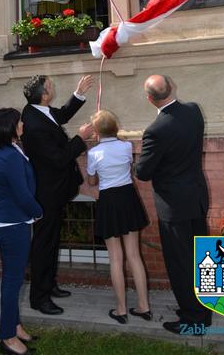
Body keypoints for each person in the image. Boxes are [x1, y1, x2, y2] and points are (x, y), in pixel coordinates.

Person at [136, 75, 211, 335]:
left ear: (149, 99)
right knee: (202, 259)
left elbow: (143, 172)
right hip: (197, 197)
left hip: (174, 207)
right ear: (172, 87)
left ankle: (193, 320)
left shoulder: (156, 129)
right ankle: (203, 312)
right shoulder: (193, 111)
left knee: (181, 264)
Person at [21, 74, 94, 315]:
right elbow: (59, 159)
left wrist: (79, 94)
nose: (53, 88)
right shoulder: (33, 123)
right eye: (51, 86)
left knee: (51, 242)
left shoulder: (41, 111)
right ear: (43, 94)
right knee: (44, 244)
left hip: (55, 190)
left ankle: (49, 285)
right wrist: (80, 138)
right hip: (46, 193)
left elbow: (60, 116)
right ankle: (39, 298)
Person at [0, 108, 43, 355]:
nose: (22, 124)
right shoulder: (8, 156)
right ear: (10, 126)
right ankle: (7, 337)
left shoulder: (5, 150)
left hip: (7, 219)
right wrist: (37, 212)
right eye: (19, 121)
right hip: (13, 223)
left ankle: (15, 325)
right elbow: (21, 194)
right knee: (13, 281)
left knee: (14, 278)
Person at [87, 109, 150, 324]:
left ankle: (121, 309)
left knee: (115, 258)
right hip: (127, 197)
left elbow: (93, 182)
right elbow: (128, 167)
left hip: (109, 199)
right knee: (134, 255)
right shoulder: (126, 146)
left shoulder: (94, 153)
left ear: (96, 132)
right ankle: (144, 307)